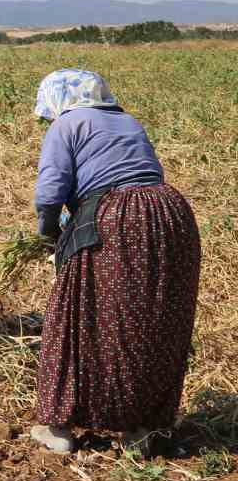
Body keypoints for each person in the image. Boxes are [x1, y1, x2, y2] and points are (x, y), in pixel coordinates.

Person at [27, 69, 200, 454]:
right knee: (151, 320)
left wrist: (49, 233)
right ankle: (141, 427)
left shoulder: (68, 123)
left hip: (118, 218)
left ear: (58, 100)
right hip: (168, 213)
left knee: (78, 314)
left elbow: (50, 191)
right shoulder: (127, 120)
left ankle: (60, 428)